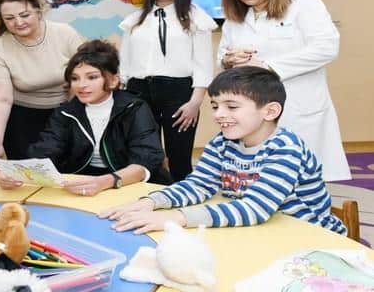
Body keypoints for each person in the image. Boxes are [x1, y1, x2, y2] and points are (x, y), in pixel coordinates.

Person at [99, 66, 347, 236]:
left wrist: (176, 217)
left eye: (232, 107)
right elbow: (198, 185)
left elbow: (255, 209)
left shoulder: (286, 149)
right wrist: (151, 202)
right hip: (262, 231)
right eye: (215, 106)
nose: (219, 114)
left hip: (311, 239)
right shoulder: (222, 143)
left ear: (270, 111)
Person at [217, 0, 350, 182]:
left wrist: (268, 66)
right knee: (259, 181)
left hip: (299, 108)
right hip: (253, 113)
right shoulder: (234, 21)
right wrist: (228, 61)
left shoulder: (304, 5)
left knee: (302, 180)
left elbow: (326, 48)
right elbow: (222, 58)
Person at [0, 40, 171, 196]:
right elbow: (45, 151)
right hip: (83, 182)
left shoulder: (134, 108)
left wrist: (106, 181)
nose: (82, 85)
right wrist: (14, 173)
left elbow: (145, 160)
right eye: (75, 78)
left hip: (130, 184)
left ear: (113, 80)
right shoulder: (65, 112)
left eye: (92, 77)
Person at [119, 0, 217, 182]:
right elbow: (125, 63)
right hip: (138, 91)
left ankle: (182, 199)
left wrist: (195, 103)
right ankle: (149, 198)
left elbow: (203, 66)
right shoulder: (135, 19)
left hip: (179, 92)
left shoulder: (196, 18)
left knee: (179, 158)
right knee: (145, 156)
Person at [0, 0, 84, 160]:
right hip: (23, 120)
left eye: (25, 15)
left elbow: (86, 75)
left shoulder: (65, 33)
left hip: (67, 111)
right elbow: (0, 100)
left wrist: (72, 111)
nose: (18, 22)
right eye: (9, 18)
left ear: (38, 11)